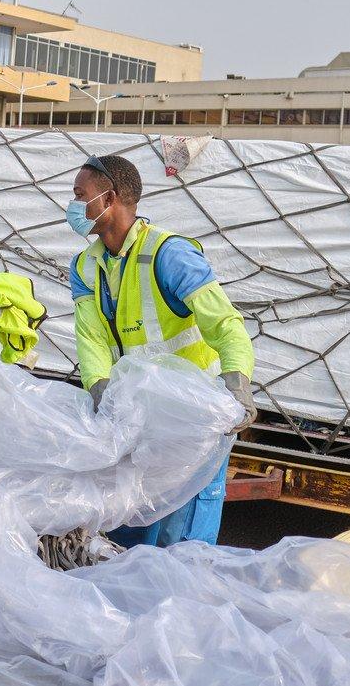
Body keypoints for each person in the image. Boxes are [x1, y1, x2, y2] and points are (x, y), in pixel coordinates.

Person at [68, 154, 258, 548]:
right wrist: (101, 391)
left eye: (79, 195)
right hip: (138, 414)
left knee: (182, 539)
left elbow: (225, 324)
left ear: (111, 197)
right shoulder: (86, 266)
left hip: (192, 415)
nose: (72, 206)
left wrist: (237, 383)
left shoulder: (169, 254)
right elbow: (91, 339)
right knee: (128, 529)